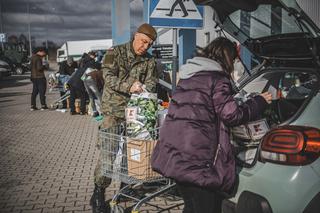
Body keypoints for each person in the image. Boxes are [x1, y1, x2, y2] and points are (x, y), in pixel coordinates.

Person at [151, 37, 272, 213]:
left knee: (192, 206)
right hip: (199, 160)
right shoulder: (217, 79)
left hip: (176, 154)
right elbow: (231, 115)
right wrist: (259, 101)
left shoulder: (188, 76)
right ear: (227, 57)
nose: (234, 64)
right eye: (234, 59)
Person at [90, 23, 158, 213]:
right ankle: (98, 193)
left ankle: (125, 191)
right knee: (108, 155)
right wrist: (130, 85)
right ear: (136, 36)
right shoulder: (116, 52)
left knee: (131, 156)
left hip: (136, 116)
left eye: (149, 44)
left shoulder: (149, 61)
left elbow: (152, 82)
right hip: (113, 112)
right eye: (143, 41)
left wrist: (145, 88)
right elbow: (108, 76)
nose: (145, 46)